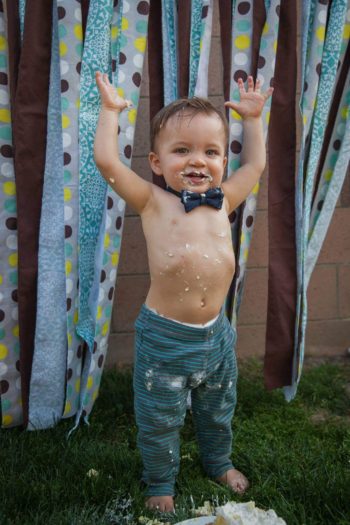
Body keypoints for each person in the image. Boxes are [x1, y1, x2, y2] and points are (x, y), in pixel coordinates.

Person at [94, 71, 273, 512]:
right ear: (156, 163)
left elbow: (254, 166)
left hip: (217, 336)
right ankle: (160, 484)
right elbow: (107, 163)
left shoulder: (224, 199)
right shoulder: (153, 202)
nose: (198, 160)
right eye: (182, 150)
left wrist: (252, 120)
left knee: (218, 408)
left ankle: (218, 461)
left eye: (210, 151)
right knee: (160, 419)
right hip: (166, 341)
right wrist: (110, 112)